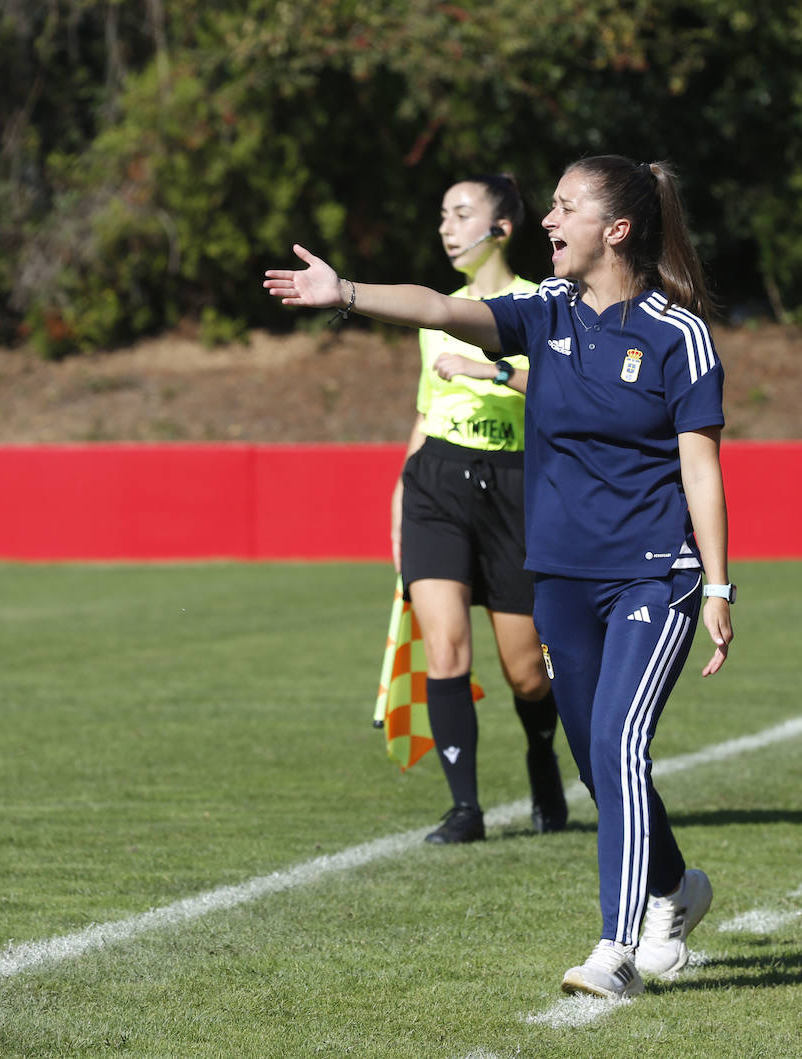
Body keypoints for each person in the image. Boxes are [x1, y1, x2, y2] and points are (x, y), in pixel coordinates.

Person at [265, 154, 733, 1001]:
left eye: (565, 207)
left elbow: (700, 467)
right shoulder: (545, 311)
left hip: (654, 576)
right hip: (559, 576)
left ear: (615, 230)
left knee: (621, 747)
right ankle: (678, 887)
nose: (548, 220)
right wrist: (346, 294)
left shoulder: (678, 334)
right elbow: (442, 308)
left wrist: (721, 585)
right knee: (600, 760)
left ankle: (613, 948)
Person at [391, 174, 567, 845]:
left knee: (527, 670)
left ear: (502, 228)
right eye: (442, 214)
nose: (446, 227)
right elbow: (425, 413)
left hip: (517, 485)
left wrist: (489, 369)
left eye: (461, 214)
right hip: (436, 481)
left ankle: (542, 756)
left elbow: (566, 390)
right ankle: (464, 807)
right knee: (445, 646)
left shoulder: (542, 302)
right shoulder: (440, 311)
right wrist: (400, 491)